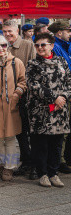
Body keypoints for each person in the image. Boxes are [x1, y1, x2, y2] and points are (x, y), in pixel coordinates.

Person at [27, 32, 71, 187]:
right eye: (37, 45)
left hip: (60, 111)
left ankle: (54, 173)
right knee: (41, 145)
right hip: (41, 112)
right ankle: (43, 173)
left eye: (43, 44)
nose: (40, 47)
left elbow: (68, 82)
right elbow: (34, 86)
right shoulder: (33, 64)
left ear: (52, 46)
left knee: (57, 144)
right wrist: (54, 98)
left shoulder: (62, 61)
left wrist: (63, 97)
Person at [0, 34, 26, 181]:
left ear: (7, 47)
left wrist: (16, 94)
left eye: (3, 45)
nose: (0, 48)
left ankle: (9, 167)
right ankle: (2, 165)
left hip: (11, 106)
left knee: (10, 137)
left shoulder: (16, 62)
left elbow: (23, 82)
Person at [2, 19, 37, 179]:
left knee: (32, 132)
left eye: (10, 31)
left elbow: (33, 69)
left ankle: (35, 164)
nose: (8, 34)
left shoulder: (28, 45)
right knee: (20, 132)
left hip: (27, 96)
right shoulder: (3, 46)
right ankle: (26, 161)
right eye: (5, 31)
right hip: (10, 98)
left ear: (17, 30)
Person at [48, 21, 71, 174]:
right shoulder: (56, 47)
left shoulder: (66, 45)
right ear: (59, 32)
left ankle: (65, 157)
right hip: (61, 93)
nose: (70, 33)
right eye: (67, 31)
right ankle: (60, 160)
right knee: (63, 126)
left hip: (67, 90)